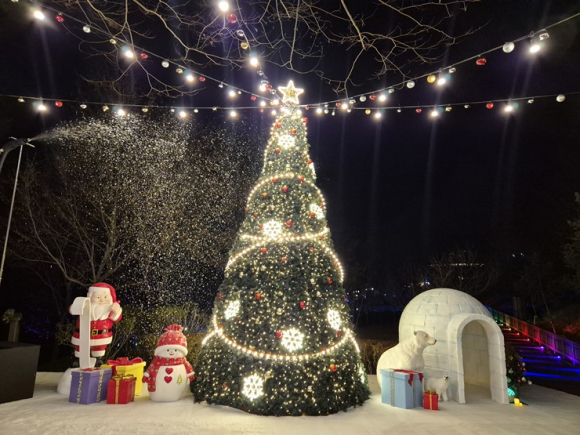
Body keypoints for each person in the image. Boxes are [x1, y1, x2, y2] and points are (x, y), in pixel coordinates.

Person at [71, 283, 122, 364]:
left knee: (99, 348)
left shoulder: (109, 309)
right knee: (80, 347)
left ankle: (98, 359)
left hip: (102, 335)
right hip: (82, 335)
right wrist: (77, 306)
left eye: (105, 297)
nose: (102, 300)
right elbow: (72, 310)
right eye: (97, 297)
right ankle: (78, 360)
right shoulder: (85, 306)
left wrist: (116, 311)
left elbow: (116, 318)